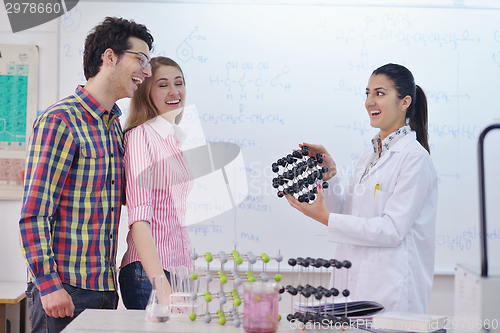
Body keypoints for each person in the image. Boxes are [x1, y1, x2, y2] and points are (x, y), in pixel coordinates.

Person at [19, 17, 153, 333]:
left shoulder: (112, 128)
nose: (146, 72)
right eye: (140, 59)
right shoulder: (60, 120)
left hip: (104, 289)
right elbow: (34, 214)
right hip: (64, 290)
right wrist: (49, 286)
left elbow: (116, 200)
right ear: (110, 57)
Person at [286, 63, 437, 314]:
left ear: (404, 102)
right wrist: (331, 174)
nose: (369, 101)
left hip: (389, 291)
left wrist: (326, 218)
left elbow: (392, 230)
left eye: (379, 93)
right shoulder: (371, 153)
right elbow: (349, 213)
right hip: (352, 282)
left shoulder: (414, 158)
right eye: (367, 93)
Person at [118, 57, 193, 309]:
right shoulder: (141, 137)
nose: (174, 92)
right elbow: (139, 220)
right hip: (148, 275)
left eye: (179, 83)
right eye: (162, 85)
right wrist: (164, 291)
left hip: (172, 272)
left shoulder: (173, 141)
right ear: (146, 92)